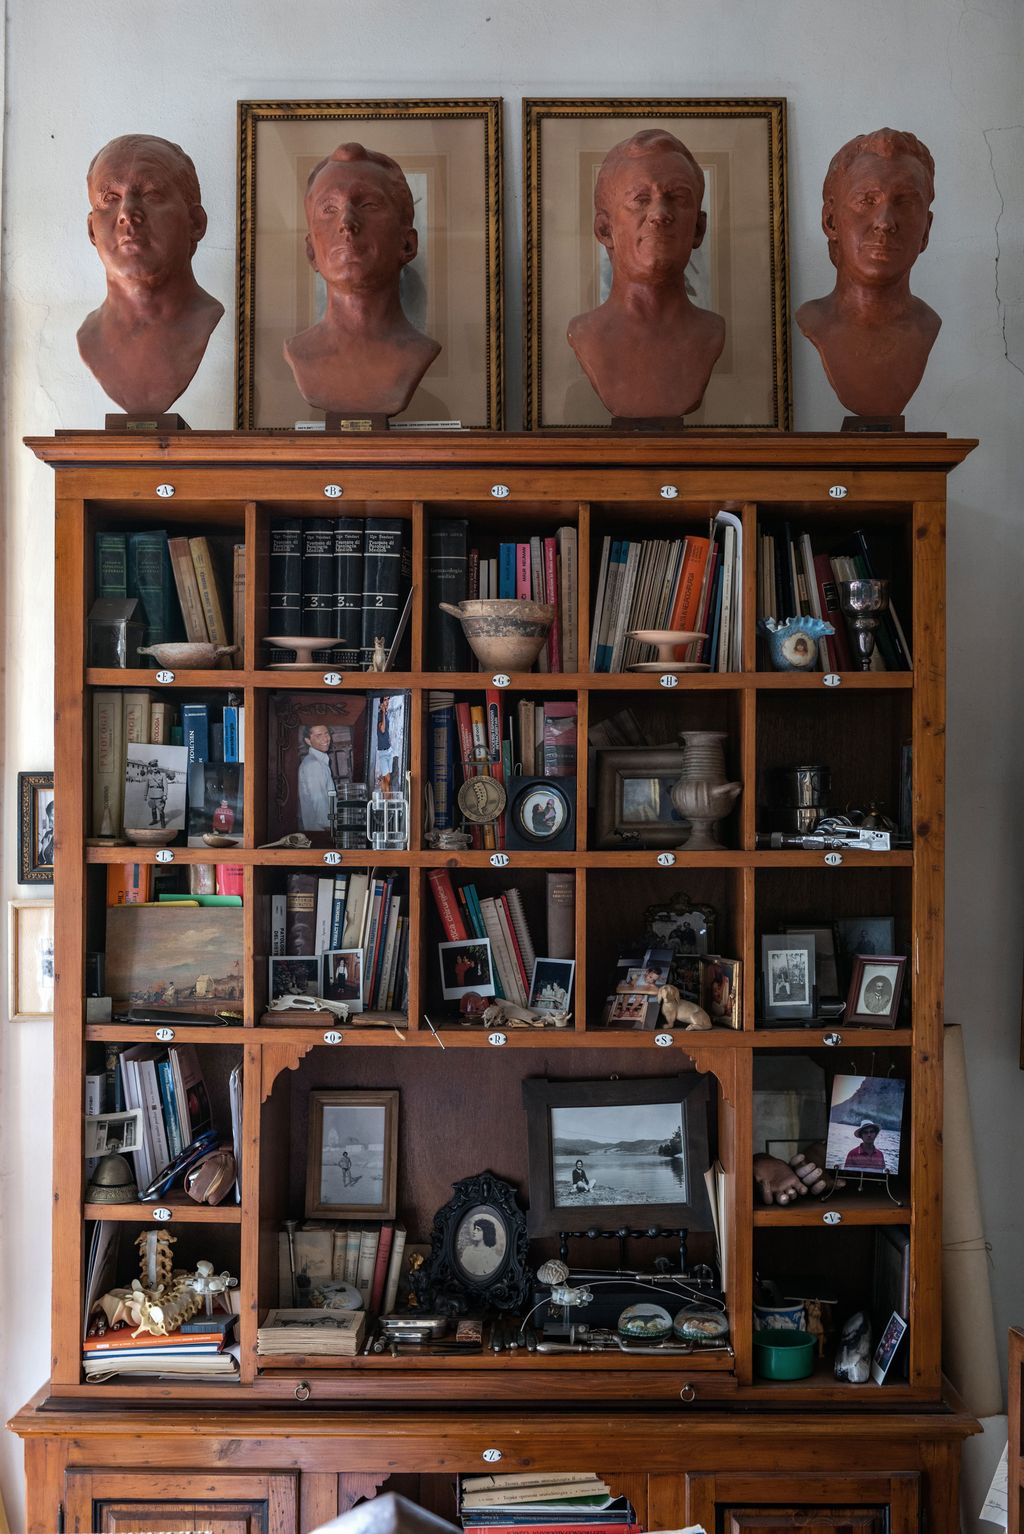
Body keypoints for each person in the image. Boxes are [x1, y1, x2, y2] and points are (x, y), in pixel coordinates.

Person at [567, 129, 724, 420]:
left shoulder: (712, 333)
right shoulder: (586, 335)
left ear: (699, 229)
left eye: (677, 197)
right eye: (640, 199)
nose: (659, 213)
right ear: (604, 229)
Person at [284, 143, 441, 417]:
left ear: (407, 243)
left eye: (368, 204)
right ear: (311, 252)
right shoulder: (299, 353)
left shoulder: (420, 352)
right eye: (329, 209)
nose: (347, 222)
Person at [795, 128, 940, 418]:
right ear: (830, 221)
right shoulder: (813, 322)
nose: (885, 222)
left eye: (905, 203)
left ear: (926, 229)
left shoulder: (927, 326)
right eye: (867, 200)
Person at [77, 134, 223, 413]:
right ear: (91, 230)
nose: (128, 213)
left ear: (196, 223)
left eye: (151, 194)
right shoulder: (88, 338)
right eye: (110, 198)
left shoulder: (207, 320)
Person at [297, 723, 337, 832]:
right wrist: (331, 831)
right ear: (308, 741)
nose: (325, 739)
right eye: (318, 736)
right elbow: (320, 804)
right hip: (321, 833)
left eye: (326, 734)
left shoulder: (319, 762)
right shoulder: (314, 764)